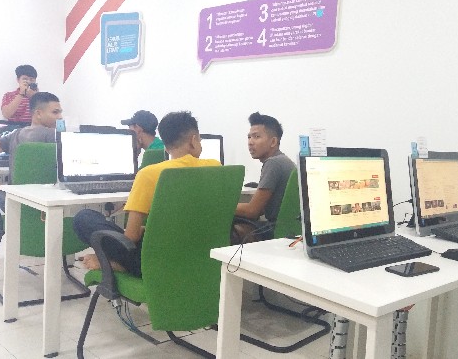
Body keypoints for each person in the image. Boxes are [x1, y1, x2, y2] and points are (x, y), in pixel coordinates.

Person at [73, 111, 219, 277]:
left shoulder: (149, 174)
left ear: (166, 146)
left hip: (156, 261)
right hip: (199, 254)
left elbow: (131, 237)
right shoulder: (215, 167)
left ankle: (119, 264)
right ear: (193, 140)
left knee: (83, 218)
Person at [0, 92, 62, 192]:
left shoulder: (16, 134)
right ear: (38, 113)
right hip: (44, 195)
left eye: (60, 112)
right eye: (55, 112)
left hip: (15, 196)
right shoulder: (54, 135)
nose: (60, 117)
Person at [232, 112, 296, 244]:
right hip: (289, 229)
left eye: (256, 137)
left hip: (276, 230)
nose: (250, 142)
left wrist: (223, 207)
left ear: (273, 141)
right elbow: (261, 208)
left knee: (230, 228)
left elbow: (253, 211)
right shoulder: (283, 160)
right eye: (249, 137)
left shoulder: (273, 163)